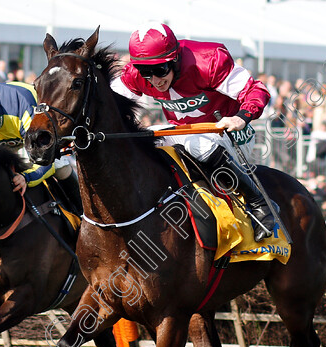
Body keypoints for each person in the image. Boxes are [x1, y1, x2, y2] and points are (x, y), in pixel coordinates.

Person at [110, 23, 274, 241]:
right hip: (183, 135)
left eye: (160, 70)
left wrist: (241, 117)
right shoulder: (135, 74)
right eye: (146, 72)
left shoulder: (209, 60)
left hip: (230, 133)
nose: (155, 80)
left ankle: (260, 202)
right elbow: (109, 105)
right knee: (142, 137)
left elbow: (256, 90)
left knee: (196, 144)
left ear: (175, 59)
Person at [0, 81, 80, 212]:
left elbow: (46, 162)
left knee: (60, 166)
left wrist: (26, 178)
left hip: (33, 129)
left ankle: (81, 211)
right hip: (6, 134)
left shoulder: (24, 107)